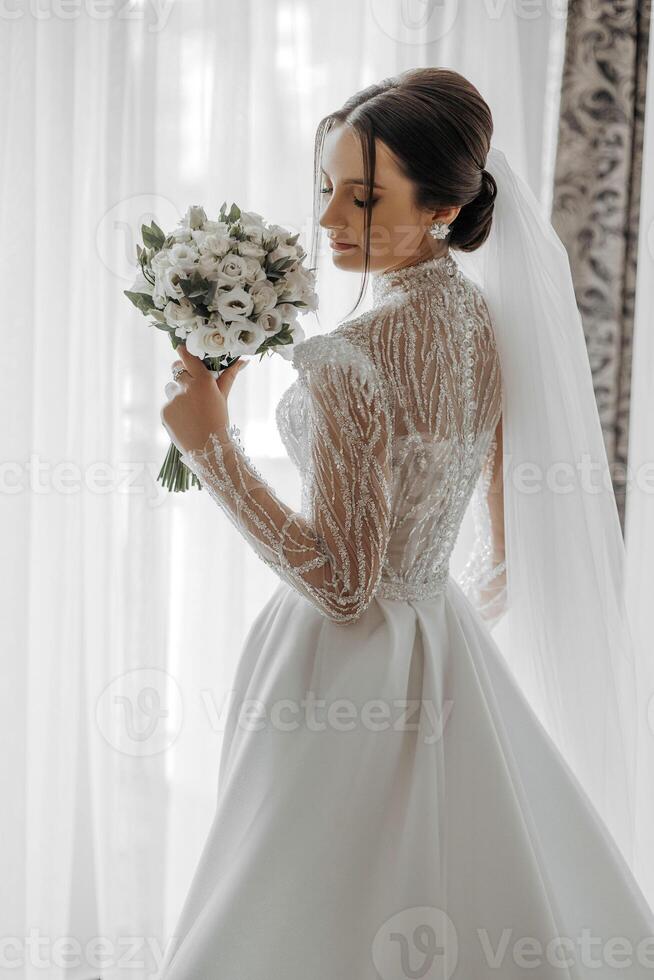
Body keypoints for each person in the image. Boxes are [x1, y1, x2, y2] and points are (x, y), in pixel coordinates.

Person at [158, 67, 654, 979]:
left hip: (337, 666)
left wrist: (209, 447)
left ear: (438, 207)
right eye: (327, 191)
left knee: (294, 909)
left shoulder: (354, 354)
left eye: (363, 195)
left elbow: (345, 585)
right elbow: (497, 545)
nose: (329, 220)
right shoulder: (483, 320)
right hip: (441, 638)